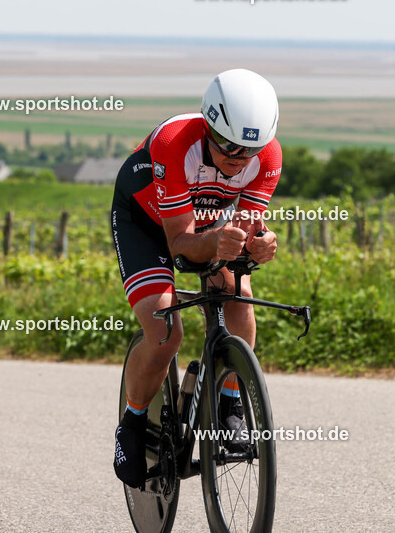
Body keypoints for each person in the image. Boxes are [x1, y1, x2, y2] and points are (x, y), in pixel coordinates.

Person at [111, 68, 283, 488]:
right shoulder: (175, 143)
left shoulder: (269, 156)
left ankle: (230, 404)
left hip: (204, 222)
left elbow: (246, 226)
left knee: (238, 295)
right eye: (228, 144)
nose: (238, 157)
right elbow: (180, 245)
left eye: (250, 149)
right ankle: (133, 421)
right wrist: (220, 240)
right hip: (148, 223)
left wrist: (258, 244)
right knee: (165, 331)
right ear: (209, 125)